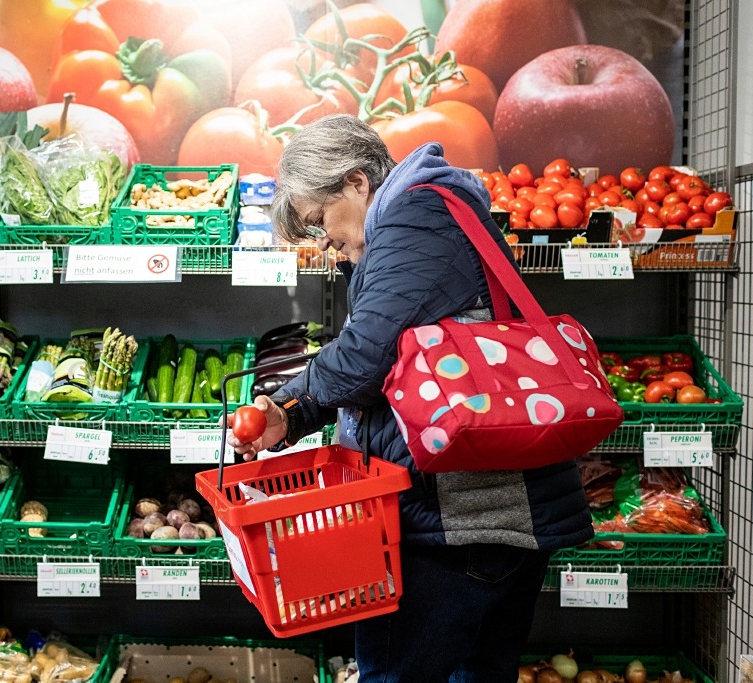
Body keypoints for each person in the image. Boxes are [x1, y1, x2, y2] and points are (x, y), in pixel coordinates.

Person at [226, 114, 594, 682]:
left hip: (461, 521)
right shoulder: (432, 212)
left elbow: (365, 358)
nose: (328, 242)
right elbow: (384, 350)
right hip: (486, 514)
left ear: (355, 182)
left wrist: (288, 410)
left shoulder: (415, 218)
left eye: (320, 221)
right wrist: (292, 413)